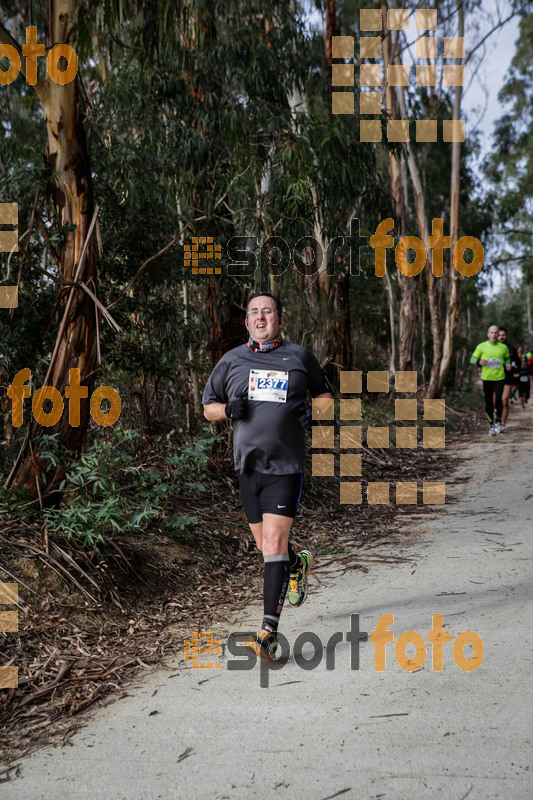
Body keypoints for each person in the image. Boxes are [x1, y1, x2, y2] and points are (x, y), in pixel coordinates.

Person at [202, 292, 334, 660]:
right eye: (254, 313)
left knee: (273, 544)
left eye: (268, 311)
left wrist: (315, 413)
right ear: (247, 322)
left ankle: (267, 633)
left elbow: (325, 395)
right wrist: (228, 409)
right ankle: (297, 564)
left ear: (279, 317)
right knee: (266, 548)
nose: (261, 317)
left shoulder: (299, 356)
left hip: (286, 466)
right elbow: (207, 407)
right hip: (247, 466)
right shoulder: (231, 361)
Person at [470, 325, 511, 436]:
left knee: (498, 400)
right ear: (488, 334)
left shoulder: (503, 347)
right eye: (491, 332)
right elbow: (472, 359)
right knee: (488, 403)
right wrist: (479, 361)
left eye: (495, 333)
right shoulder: (481, 346)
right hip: (487, 379)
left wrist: (507, 364)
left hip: (500, 378)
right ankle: (491, 425)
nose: (494, 334)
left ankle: (498, 422)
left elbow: (507, 358)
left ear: (498, 335)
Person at [497, 327, 519, 430]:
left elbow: (517, 361)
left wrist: (514, 367)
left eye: (503, 335)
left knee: (504, 400)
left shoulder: (511, 348)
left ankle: (502, 424)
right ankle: (496, 418)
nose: (501, 337)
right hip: (494, 378)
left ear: (506, 336)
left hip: (507, 377)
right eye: (499, 335)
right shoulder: (491, 347)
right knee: (494, 401)